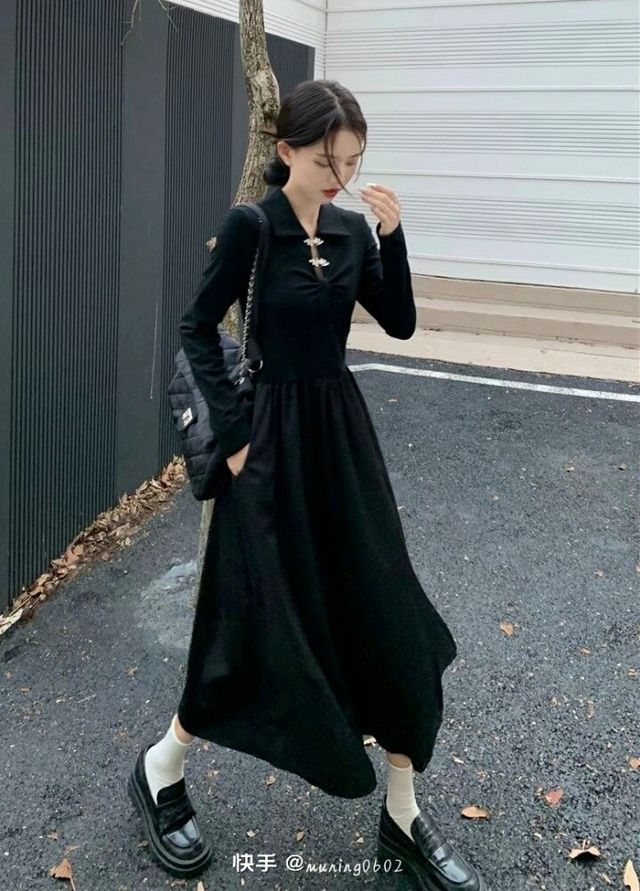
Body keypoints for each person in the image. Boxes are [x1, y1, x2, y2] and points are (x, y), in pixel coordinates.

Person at [128, 79, 485, 889]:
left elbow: (399, 322)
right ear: (285, 150)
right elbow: (195, 326)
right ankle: (160, 766)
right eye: (328, 160)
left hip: (342, 444)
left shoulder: (355, 230)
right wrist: (237, 439)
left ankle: (402, 813)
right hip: (268, 451)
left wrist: (393, 237)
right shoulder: (252, 228)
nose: (341, 176)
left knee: (386, 609)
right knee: (252, 625)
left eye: (352, 162)